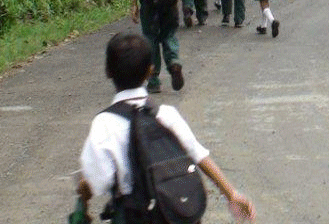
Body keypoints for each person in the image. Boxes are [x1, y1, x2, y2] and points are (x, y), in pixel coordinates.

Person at [76, 33, 256, 223]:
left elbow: (98, 179)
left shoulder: (104, 123)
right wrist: (231, 193)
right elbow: (198, 154)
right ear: (150, 71)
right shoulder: (166, 114)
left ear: (107, 71)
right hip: (173, 212)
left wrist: (83, 197)